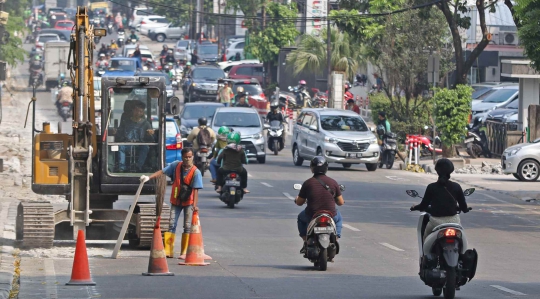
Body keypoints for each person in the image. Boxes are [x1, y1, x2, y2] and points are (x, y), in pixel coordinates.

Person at [141, 147, 203, 257]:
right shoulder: (176, 166)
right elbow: (162, 171)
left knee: (187, 226)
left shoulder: (196, 172)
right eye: (185, 157)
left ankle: (184, 252)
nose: (188, 159)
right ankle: (169, 251)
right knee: (171, 224)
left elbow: (195, 190)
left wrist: (194, 205)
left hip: (189, 201)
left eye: (190, 157)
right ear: (182, 157)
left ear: (193, 157)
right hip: (176, 200)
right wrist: (148, 178)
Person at [410, 159, 469, 242]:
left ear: (437, 171)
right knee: (462, 239)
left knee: (425, 239)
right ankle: (463, 253)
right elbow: (464, 207)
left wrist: (415, 207)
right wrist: (466, 209)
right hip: (454, 222)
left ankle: (425, 255)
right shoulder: (457, 186)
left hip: (435, 222)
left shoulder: (431, 187)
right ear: (451, 171)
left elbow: (423, 206)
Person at [295, 156, 344, 254]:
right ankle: (337, 237)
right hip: (331, 214)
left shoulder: (308, 183)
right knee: (339, 218)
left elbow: (300, 202)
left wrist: (296, 200)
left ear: (312, 168)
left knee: (301, 218)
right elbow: (340, 202)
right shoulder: (333, 182)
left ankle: (305, 240)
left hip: (312, 214)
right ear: (326, 168)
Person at [115, 101, 154, 172]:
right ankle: (121, 168)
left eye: (140, 111)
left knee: (146, 147)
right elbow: (119, 134)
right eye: (136, 110)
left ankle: (138, 167)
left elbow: (151, 139)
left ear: (143, 113)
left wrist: (150, 134)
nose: (138, 113)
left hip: (140, 144)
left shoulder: (146, 123)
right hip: (127, 144)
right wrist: (116, 132)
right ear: (132, 110)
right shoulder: (125, 122)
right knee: (121, 147)